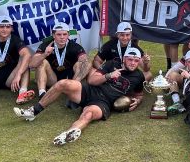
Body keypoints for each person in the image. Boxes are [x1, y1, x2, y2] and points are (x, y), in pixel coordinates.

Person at [14, 49, 146, 147]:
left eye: (136, 60)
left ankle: (68, 133)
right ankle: (33, 111)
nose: (133, 63)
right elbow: (93, 80)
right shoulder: (112, 64)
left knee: (87, 115)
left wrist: (138, 101)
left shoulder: (139, 76)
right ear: (124, 59)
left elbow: (139, 94)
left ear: (139, 61)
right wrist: (109, 75)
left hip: (103, 103)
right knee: (62, 84)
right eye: (130, 59)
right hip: (90, 90)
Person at [29, 22, 91, 98]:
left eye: (64, 34)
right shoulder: (45, 45)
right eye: (59, 34)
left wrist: (83, 61)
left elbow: (86, 62)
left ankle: (73, 87)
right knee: (42, 61)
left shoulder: (75, 46)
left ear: (68, 35)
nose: (62, 37)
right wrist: (44, 54)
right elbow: (31, 64)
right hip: (52, 79)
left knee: (84, 63)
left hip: (68, 80)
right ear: (53, 35)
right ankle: (42, 93)